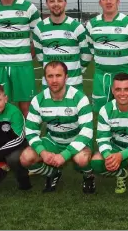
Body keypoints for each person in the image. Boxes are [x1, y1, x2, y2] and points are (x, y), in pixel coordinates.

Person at [20, 61, 95, 193]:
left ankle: (89, 175)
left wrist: (64, 155)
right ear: (45, 78)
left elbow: (87, 132)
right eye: (50, 76)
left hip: (77, 139)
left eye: (58, 75)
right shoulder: (39, 100)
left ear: (66, 77)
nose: (54, 80)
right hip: (53, 140)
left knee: (82, 159)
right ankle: (52, 172)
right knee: (26, 158)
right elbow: (31, 131)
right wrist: (43, 152)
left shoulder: (79, 98)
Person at [90, 72, 128, 195]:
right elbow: (102, 139)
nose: (122, 94)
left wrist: (122, 155)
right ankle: (121, 173)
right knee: (96, 162)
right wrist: (108, 155)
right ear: (112, 90)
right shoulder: (106, 110)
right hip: (116, 148)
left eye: (126, 89)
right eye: (118, 89)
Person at [86, 0, 128, 112]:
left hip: (125, 74)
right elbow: (91, 48)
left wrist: (127, 63)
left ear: (118, 1)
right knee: (101, 113)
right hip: (101, 76)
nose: (108, 2)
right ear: (100, 2)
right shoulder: (91, 24)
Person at [32, 0, 92, 92]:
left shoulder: (77, 27)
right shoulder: (39, 28)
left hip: (74, 85)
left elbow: (86, 55)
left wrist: (75, 71)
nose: (56, 4)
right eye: (52, 1)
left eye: (59, 1)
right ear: (47, 3)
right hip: (49, 87)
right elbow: (40, 58)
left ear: (65, 2)